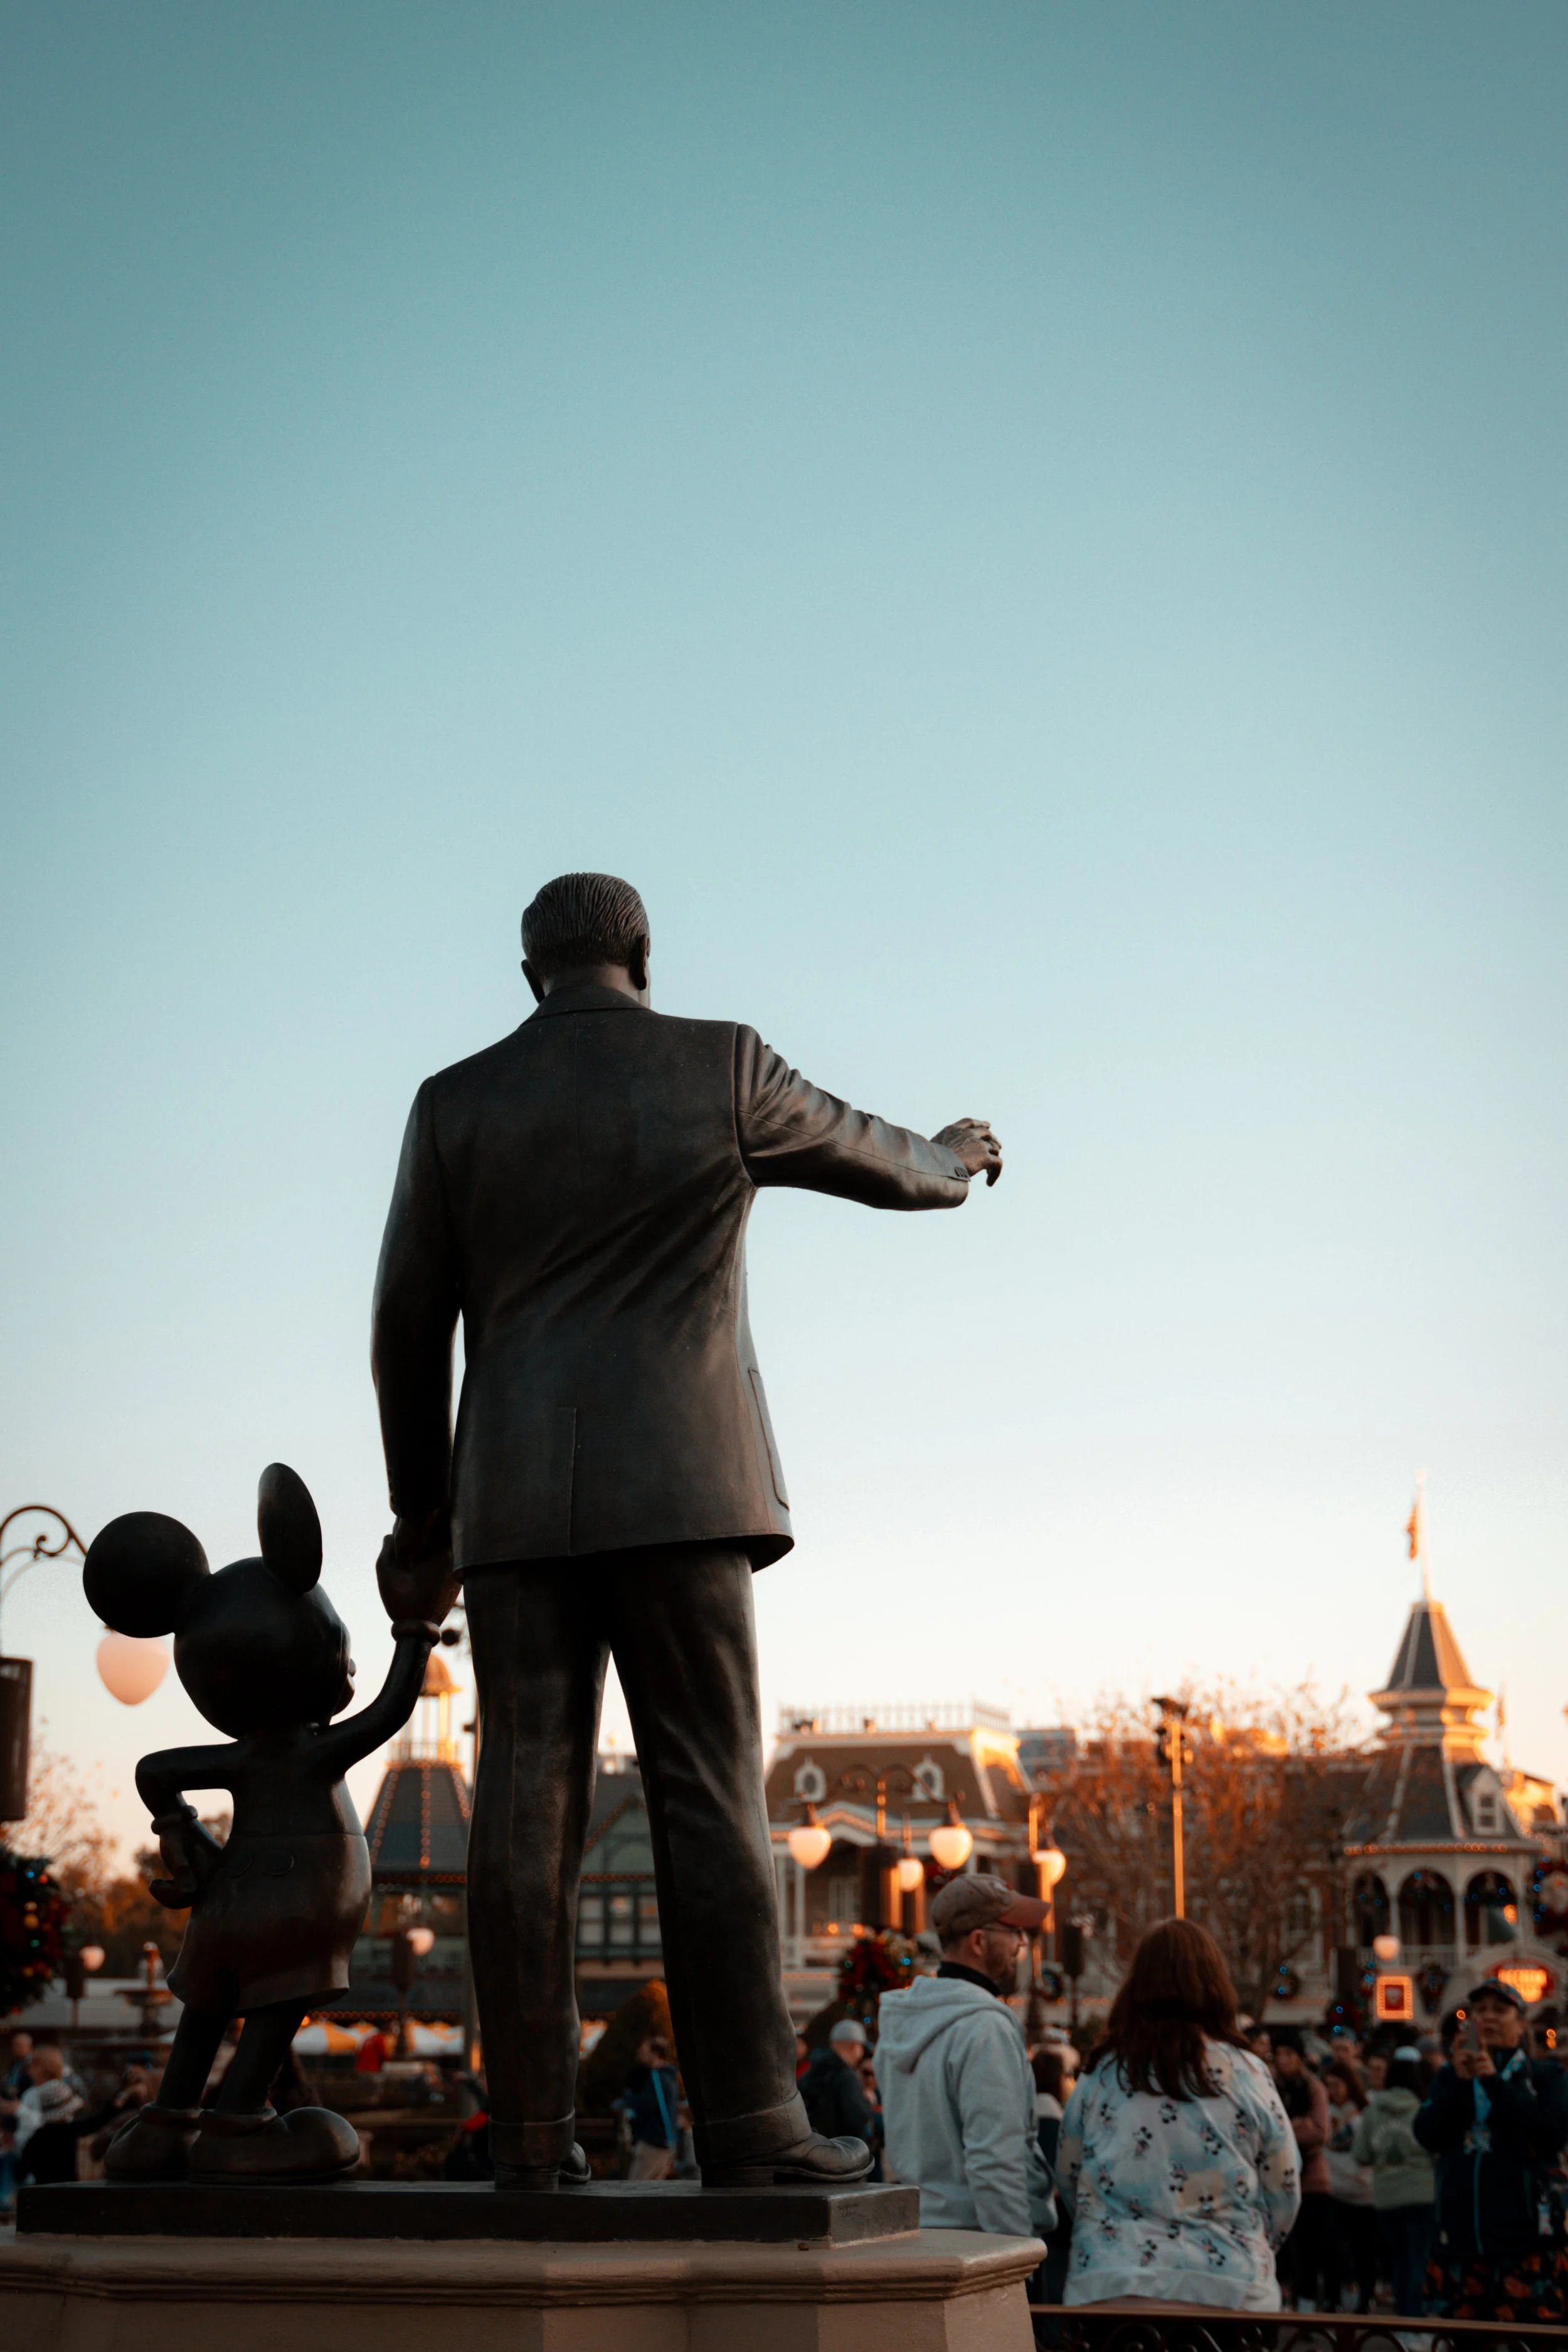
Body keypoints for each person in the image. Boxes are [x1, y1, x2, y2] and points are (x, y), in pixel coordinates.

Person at [372, 871, 1003, 2191]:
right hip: (685, 1490)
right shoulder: (721, 1066)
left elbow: (401, 1329)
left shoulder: (454, 1103)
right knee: (708, 1798)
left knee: (522, 1803)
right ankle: (754, 2130)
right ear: (640, 956)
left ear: (528, 969)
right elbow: (883, 1161)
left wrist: (422, 1514)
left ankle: (532, 2146)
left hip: (514, 1501)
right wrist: (952, 1155)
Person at [1056, 1918, 1300, 2311]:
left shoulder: (1101, 2073)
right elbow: (1284, 2184)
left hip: (1113, 2283)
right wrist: (1252, 2239)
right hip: (1227, 2286)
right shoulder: (1246, 2073)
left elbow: (1068, 2173)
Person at [872, 1875, 1056, 2238]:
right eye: (1014, 1931)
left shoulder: (903, 2021)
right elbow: (995, 2161)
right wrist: (1017, 2255)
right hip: (980, 2241)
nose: (1022, 1943)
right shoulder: (984, 2027)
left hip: (923, 2230)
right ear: (978, 1941)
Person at [1415, 1978, 1568, 2323]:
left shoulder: (1545, 2075)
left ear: (1522, 2023)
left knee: (1531, 2342)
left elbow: (1551, 2135)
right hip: (1460, 2241)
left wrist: (1494, 2083)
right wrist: (1457, 2080)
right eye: (1480, 2011)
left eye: (1500, 2010)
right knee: (1464, 2341)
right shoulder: (1451, 2077)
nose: (1489, 2018)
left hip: (1526, 2242)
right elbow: (1427, 2135)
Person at [1353, 2044, 1436, 2316]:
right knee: (1417, 2261)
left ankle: (1403, 2321)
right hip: (1421, 2194)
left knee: (1399, 2262)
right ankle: (1416, 2321)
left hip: (1387, 2196)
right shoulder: (1423, 2110)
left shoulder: (1372, 2112)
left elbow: (1362, 2155)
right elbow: (1436, 2150)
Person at [1272, 2026, 1332, 2308]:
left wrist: (1286, 2130)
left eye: (1289, 2054)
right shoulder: (1271, 2087)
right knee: (1284, 2247)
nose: (1283, 2060)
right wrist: (1295, 2126)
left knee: (1311, 2247)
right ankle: (1284, 2298)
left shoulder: (1313, 2088)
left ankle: (1307, 2304)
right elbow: (1267, 2131)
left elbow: (1320, 2133)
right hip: (1278, 2178)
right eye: (1279, 2054)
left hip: (1311, 2180)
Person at [1322, 2056, 1377, 2312]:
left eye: (1337, 2085)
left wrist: (1353, 2118)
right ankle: (1335, 2297)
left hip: (1364, 2190)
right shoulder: (1327, 2111)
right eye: (1328, 2085)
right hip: (1334, 2189)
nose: (1333, 2091)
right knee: (1334, 2247)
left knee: (1366, 2251)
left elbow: (1369, 2146)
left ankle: (1364, 2300)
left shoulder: (1365, 2111)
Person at [13, 2047, 84, 2188]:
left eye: (33, 2065)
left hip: (48, 2157)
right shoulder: (32, 2092)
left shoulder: (52, 2091)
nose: (29, 2070)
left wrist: (19, 2110)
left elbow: (45, 2123)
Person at [800, 2020, 876, 2151]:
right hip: (843, 2153)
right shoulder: (846, 2076)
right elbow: (857, 2120)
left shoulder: (814, 2069)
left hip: (816, 2149)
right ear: (854, 2046)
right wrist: (867, 2102)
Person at [622, 2034, 681, 2180]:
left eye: (644, 2052)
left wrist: (628, 2098)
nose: (641, 2056)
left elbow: (647, 2104)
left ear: (655, 2054)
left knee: (635, 2189)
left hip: (652, 2143)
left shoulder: (657, 2078)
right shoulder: (669, 2077)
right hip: (665, 2142)